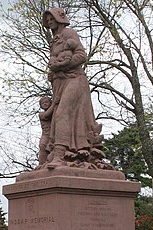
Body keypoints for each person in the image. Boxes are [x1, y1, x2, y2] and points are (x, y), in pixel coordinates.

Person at [42, 8, 104, 169]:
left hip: (75, 79)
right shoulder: (54, 40)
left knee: (62, 113)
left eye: (51, 19)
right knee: (58, 117)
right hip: (60, 83)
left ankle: (59, 156)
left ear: (59, 18)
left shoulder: (69, 33)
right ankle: (59, 154)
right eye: (47, 20)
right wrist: (53, 73)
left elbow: (81, 55)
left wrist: (62, 65)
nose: (49, 22)